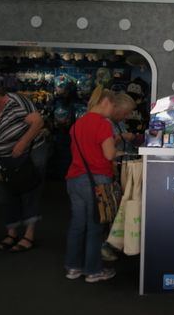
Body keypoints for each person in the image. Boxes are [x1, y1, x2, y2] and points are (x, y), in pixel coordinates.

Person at [64, 86, 117, 283]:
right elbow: (109, 155)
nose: (113, 110)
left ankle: (73, 267)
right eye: (113, 105)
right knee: (95, 226)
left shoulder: (77, 124)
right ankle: (93, 271)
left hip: (74, 179)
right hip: (97, 180)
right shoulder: (103, 124)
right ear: (105, 102)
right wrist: (117, 151)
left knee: (77, 225)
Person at [0, 85, 48, 252]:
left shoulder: (17, 101)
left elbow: (38, 122)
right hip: (2, 159)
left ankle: (28, 235)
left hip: (29, 155)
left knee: (29, 191)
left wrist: (23, 142)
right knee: (5, 195)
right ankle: (11, 233)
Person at [100, 91, 137, 262]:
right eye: (125, 112)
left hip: (122, 168)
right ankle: (105, 246)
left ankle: (112, 244)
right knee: (109, 211)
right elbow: (106, 148)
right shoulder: (105, 123)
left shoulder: (119, 122)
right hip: (111, 170)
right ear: (116, 108)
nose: (127, 116)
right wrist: (122, 137)